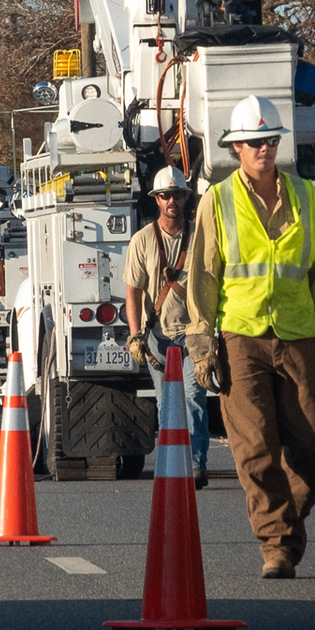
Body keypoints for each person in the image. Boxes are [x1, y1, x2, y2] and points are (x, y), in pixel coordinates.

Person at [186, 95, 315, 580]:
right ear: (236, 149)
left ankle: (286, 528)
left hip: (298, 335)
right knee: (255, 447)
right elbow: (203, 275)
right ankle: (277, 545)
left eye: (271, 140)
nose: (264, 149)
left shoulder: (303, 195)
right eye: (255, 142)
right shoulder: (217, 200)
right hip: (242, 336)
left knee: (312, 445)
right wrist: (201, 342)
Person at [125, 166, 212, 487]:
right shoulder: (143, 240)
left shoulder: (200, 236)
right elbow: (132, 291)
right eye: (165, 195)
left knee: (193, 398)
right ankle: (170, 462)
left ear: (186, 197)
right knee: (166, 405)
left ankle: (196, 465)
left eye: (177, 194)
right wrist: (136, 335)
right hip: (158, 338)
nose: (171, 200)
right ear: (156, 201)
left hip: (194, 336)